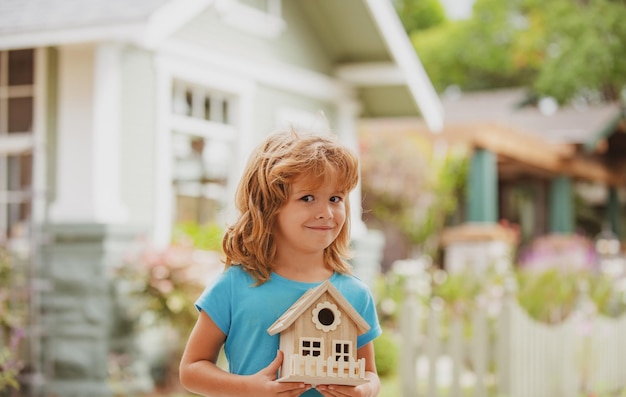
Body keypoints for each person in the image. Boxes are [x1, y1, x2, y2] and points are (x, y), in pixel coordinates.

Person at [179, 129, 382, 397]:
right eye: (307, 198)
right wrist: (248, 389)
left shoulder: (355, 294)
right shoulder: (234, 285)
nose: (326, 212)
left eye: (335, 198)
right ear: (269, 207)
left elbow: (369, 373)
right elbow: (192, 368)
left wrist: (366, 389)